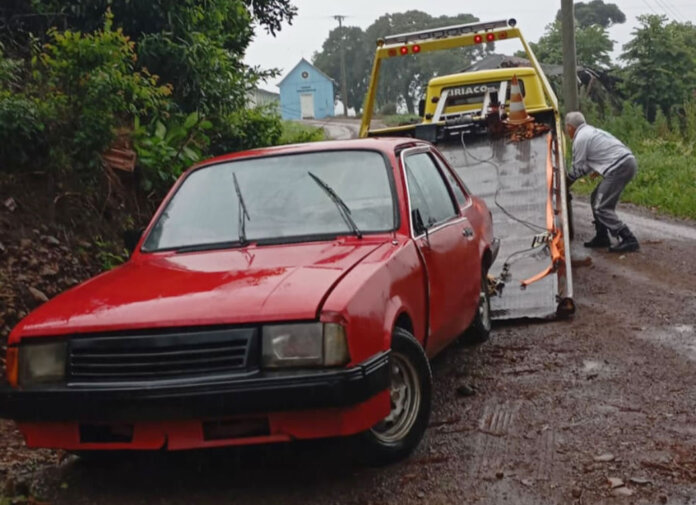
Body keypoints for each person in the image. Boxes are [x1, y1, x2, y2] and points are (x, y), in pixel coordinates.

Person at [565, 111, 639, 253]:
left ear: (569, 127)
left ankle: (628, 238)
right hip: (625, 162)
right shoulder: (591, 131)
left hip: (619, 166)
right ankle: (602, 236)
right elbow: (586, 165)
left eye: (566, 128)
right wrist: (597, 168)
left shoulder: (580, 138)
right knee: (595, 198)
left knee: (601, 206)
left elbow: (577, 169)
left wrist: (565, 184)